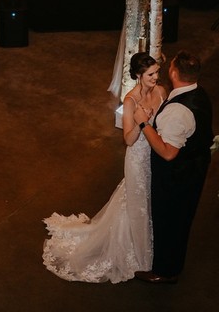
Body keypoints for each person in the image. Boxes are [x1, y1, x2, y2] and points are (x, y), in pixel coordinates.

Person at [42, 53, 167, 283]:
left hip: (155, 155)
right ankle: (142, 260)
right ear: (139, 76)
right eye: (151, 74)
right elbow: (128, 140)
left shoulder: (160, 92)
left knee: (151, 200)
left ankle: (152, 243)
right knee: (137, 203)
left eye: (157, 72)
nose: (156, 77)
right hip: (138, 158)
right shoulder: (130, 101)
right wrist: (142, 123)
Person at [133, 51, 213, 284]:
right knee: (181, 219)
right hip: (195, 167)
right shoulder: (198, 93)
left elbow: (168, 152)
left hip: (177, 177)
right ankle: (170, 264)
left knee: (169, 220)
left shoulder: (178, 111)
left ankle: (164, 272)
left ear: (174, 73)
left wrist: (143, 122)